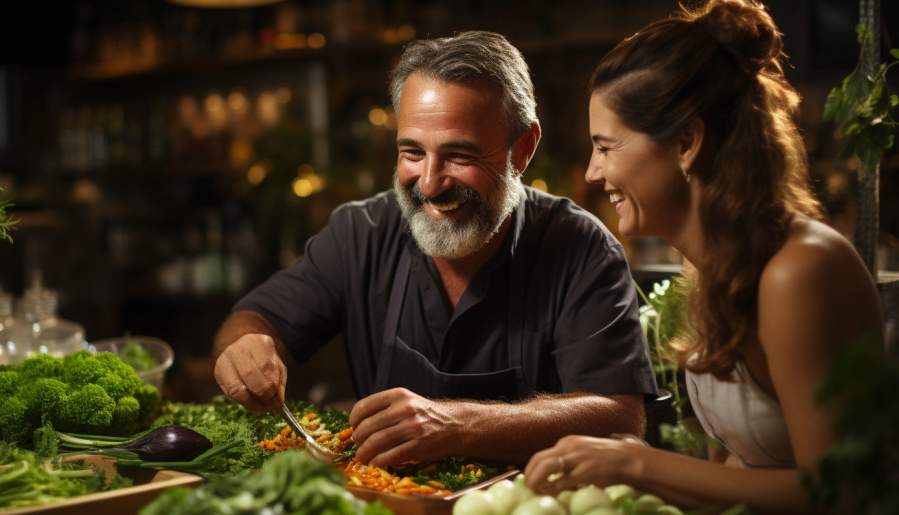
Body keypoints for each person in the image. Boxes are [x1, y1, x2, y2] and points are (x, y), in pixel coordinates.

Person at [213, 30, 657, 468]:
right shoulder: (359, 232)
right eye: (412, 152)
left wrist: (457, 425)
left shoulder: (582, 248)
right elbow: (252, 321)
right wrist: (245, 349)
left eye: (459, 156)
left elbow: (620, 417)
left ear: (522, 149)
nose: (429, 183)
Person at [524, 0, 885, 515]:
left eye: (605, 146)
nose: (593, 172)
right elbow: (742, 469)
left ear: (687, 142)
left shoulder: (799, 271)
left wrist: (637, 463)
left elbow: (845, 494)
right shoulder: (707, 267)